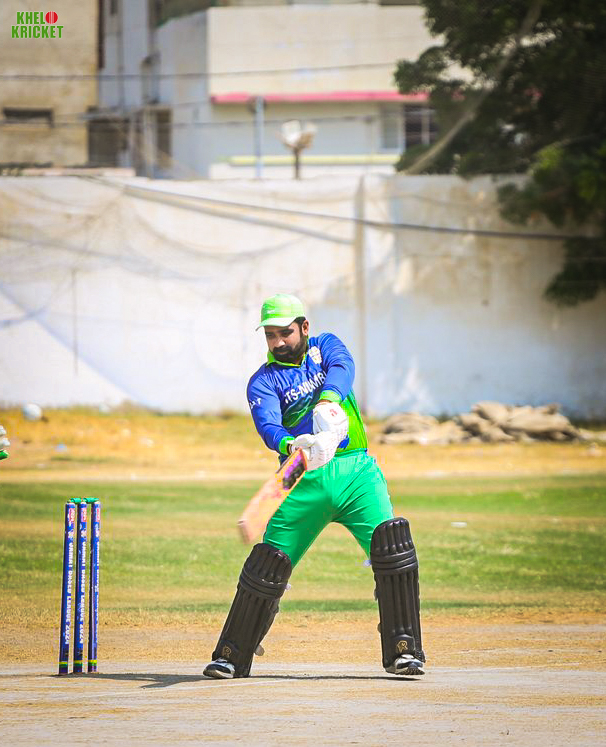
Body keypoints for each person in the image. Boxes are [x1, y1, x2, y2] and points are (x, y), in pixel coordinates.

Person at [203, 293, 425, 679]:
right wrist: (293, 444)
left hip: (356, 470)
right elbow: (269, 427)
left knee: (392, 550)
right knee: (267, 565)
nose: (277, 342)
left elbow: (343, 367)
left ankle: (403, 650)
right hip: (298, 474)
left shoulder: (326, 347)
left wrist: (326, 403)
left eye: (284, 333)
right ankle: (232, 655)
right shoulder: (262, 381)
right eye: (270, 335)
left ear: (304, 327)